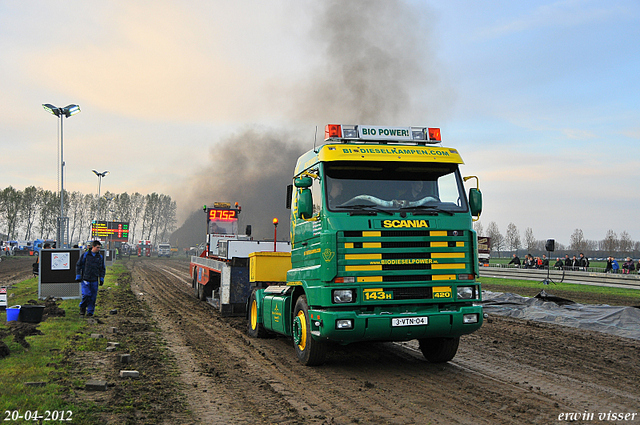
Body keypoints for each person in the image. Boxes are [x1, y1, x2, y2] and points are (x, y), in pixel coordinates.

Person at [76, 240, 106, 317]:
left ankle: (90, 312)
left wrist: (101, 278)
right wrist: (78, 275)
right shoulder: (85, 255)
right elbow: (78, 265)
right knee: (86, 295)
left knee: (93, 297)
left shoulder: (100, 257)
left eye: (99, 247)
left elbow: (102, 268)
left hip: (94, 280)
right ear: (93, 247)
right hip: (85, 279)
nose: (99, 249)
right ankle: (82, 308)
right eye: (97, 247)